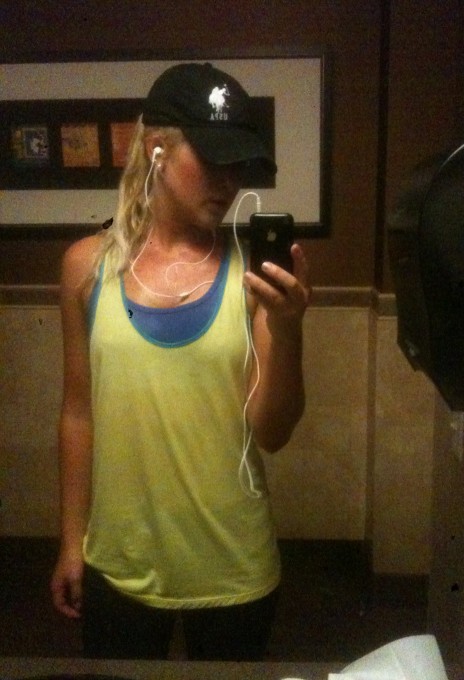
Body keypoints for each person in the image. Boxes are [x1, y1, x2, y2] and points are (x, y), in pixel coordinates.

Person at [50, 62, 311, 661]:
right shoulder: (85, 268)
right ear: (157, 148)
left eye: (238, 164)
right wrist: (70, 541)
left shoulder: (252, 277)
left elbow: (272, 433)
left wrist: (289, 329)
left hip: (233, 566)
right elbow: (78, 413)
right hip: (118, 561)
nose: (229, 181)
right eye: (213, 159)